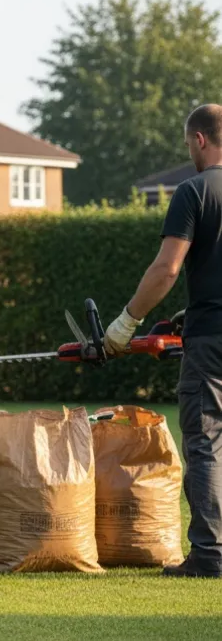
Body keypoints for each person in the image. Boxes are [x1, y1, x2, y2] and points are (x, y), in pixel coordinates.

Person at [104, 103, 222, 578]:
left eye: (187, 142)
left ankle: (210, 556)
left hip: (211, 341)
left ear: (199, 139)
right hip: (205, 322)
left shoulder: (194, 191)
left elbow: (167, 269)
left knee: (206, 442)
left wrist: (126, 322)